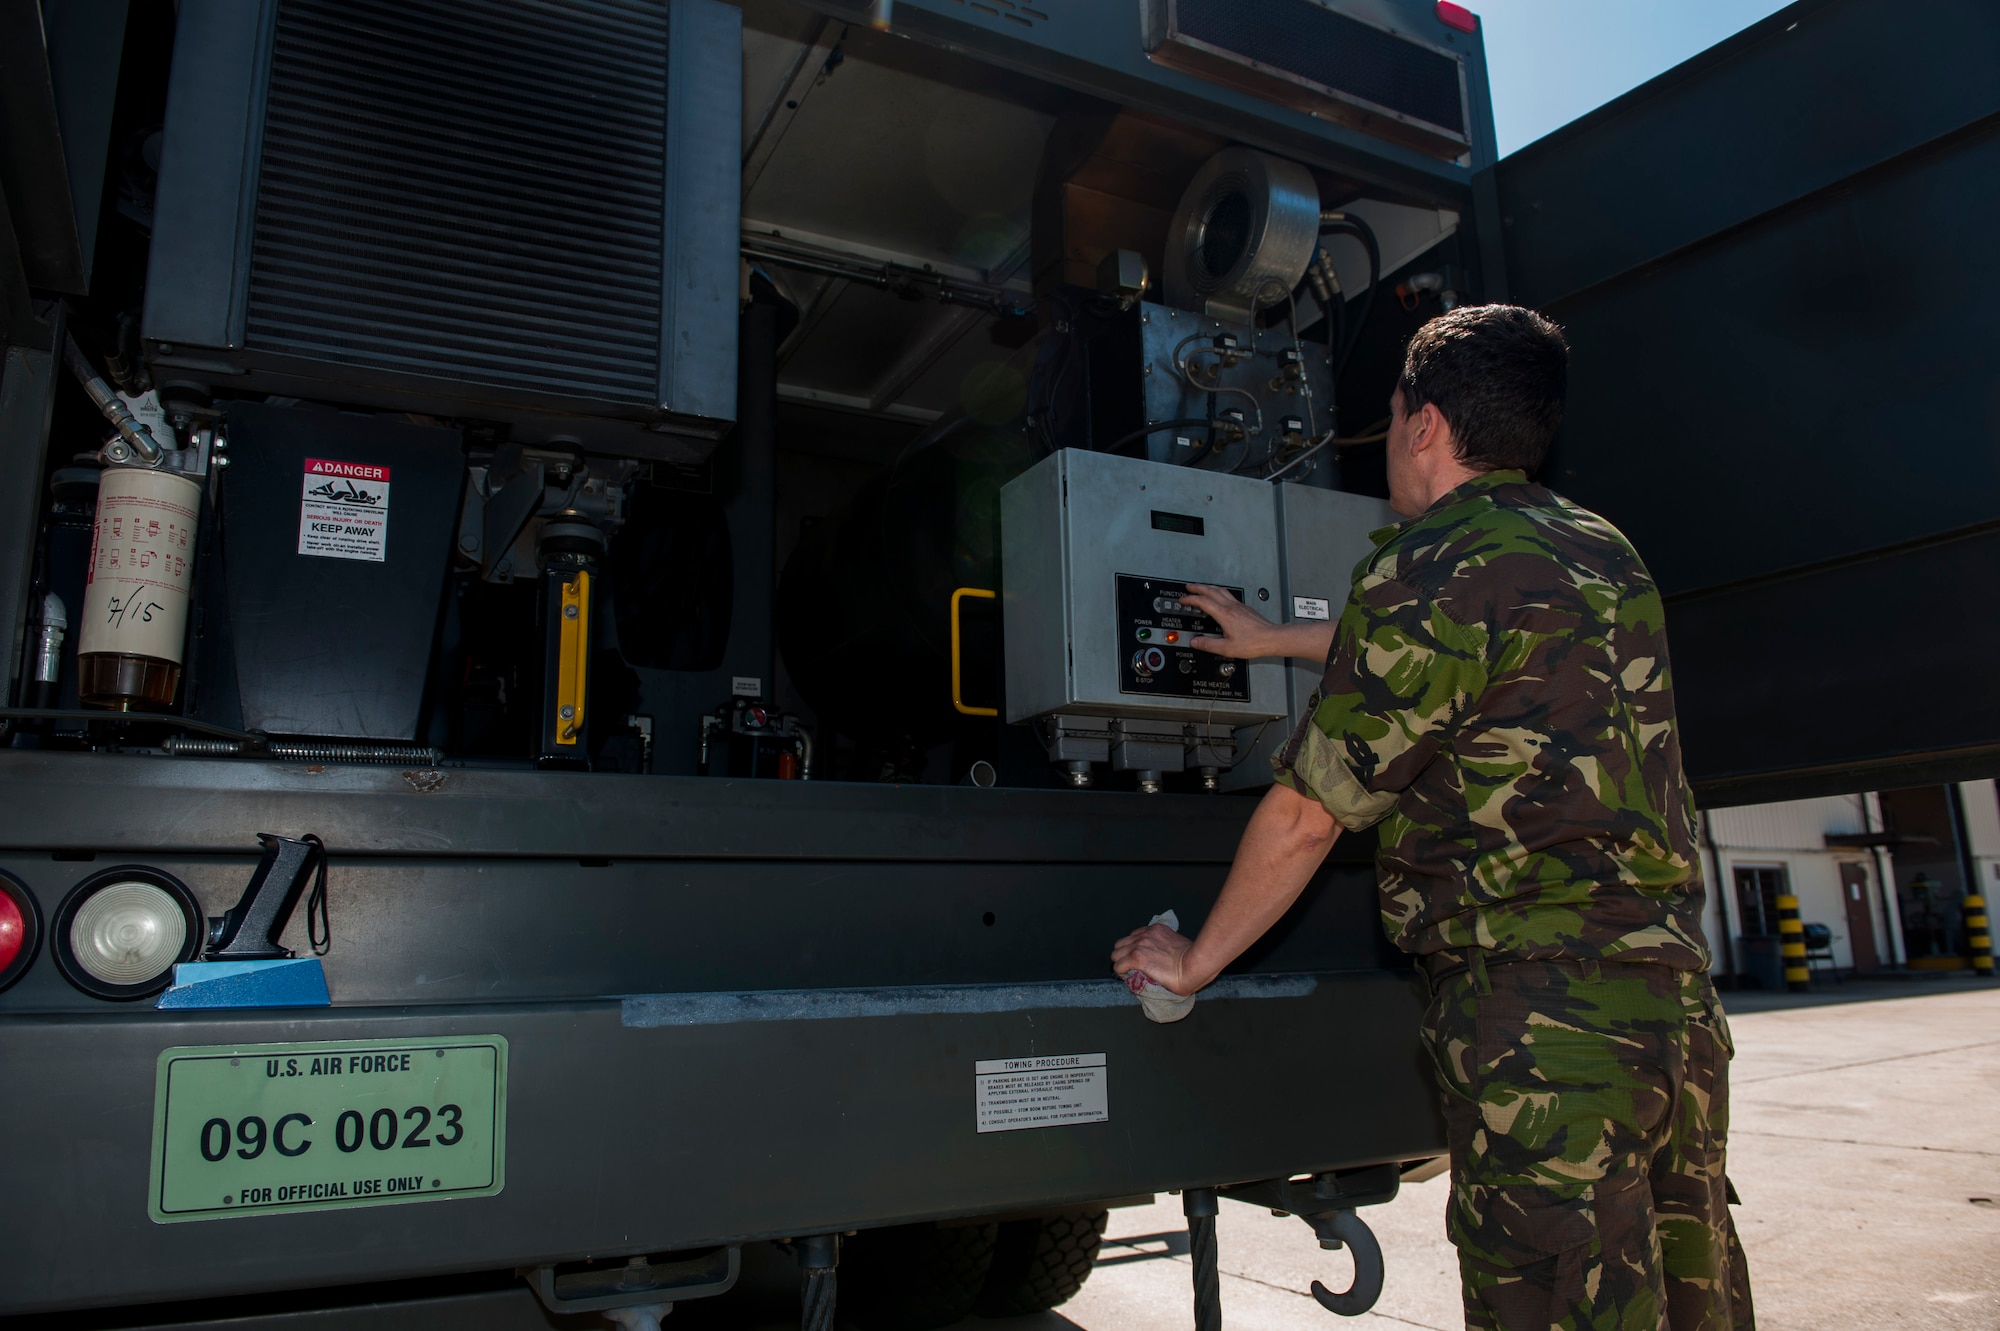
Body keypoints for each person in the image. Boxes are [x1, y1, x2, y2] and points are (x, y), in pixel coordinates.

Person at [1110, 304, 1753, 1331]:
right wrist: (1273, 638)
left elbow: (1308, 814)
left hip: (1544, 1033)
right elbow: (1473, 659)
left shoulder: (1423, 563)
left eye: (1391, 415)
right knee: (1687, 1302)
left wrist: (1193, 963)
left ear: (1423, 425)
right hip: (1673, 1016)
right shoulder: (1599, 549)